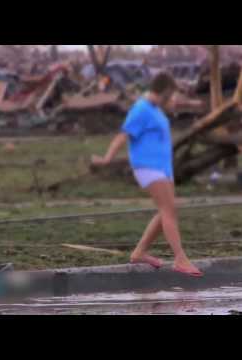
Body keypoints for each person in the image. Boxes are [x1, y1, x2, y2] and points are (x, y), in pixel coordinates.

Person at [91, 73, 203, 277]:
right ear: (164, 92)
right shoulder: (141, 109)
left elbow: (169, 111)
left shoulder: (155, 108)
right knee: (168, 211)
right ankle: (180, 258)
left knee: (167, 211)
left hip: (162, 167)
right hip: (147, 166)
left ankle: (139, 252)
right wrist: (107, 159)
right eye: (170, 95)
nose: (172, 99)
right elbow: (122, 135)